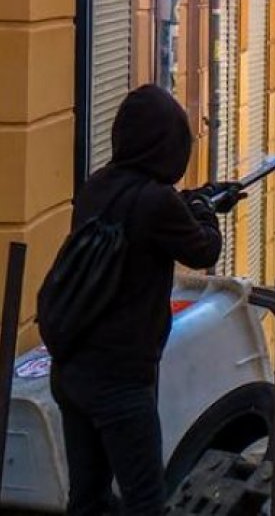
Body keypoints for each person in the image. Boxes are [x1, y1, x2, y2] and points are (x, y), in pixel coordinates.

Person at [49, 84, 243, 515]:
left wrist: (188, 202)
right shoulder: (157, 204)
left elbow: (143, 217)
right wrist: (205, 209)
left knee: (88, 499)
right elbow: (204, 250)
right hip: (121, 381)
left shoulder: (97, 186)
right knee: (144, 502)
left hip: (73, 369)